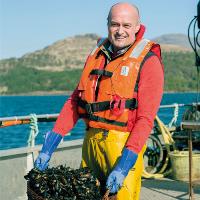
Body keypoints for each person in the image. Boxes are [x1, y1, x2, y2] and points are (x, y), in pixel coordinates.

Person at [34, 2, 164, 200]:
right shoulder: (96, 54)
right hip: (91, 144)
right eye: (115, 24)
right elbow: (74, 102)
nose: (120, 31)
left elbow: (145, 120)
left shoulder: (149, 61)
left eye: (126, 25)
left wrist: (124, 165)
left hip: (123, 147)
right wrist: (49, 146)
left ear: (137, 27)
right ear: (107, 25)